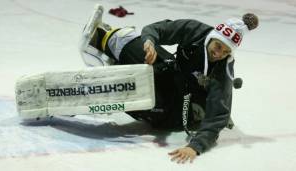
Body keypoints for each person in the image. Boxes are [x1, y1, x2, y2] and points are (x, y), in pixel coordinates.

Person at [79, 4, 259, 164]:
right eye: (219, 47)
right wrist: (149, 42)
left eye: (226, 51)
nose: (219, 54)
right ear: (212, 36)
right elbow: (158, 29)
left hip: (181, 108)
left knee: (148, 96)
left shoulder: (223, 69)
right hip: (174, 74)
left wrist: (195, 146)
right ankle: (104, 38)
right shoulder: (196, 31)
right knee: (139, 45)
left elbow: (217, 117)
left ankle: (110, 73)